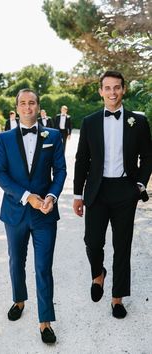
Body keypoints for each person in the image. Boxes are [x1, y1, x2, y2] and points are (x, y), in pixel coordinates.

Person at [73, 71, 152, 319]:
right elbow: (81, 160)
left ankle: (117, 298)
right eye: (107, 88)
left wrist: (139, 185)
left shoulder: (137, 122)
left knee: (122, 245)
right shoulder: (90, 121)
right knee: (92, 242)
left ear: (124, 89)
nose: (112, 92)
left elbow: (148, 157)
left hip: (125, 191)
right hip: (96, 190)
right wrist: (78, 194)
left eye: (116, 87)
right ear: (100, 91)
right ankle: (98, 273)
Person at [0, 88, 66, 344]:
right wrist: (27, 196)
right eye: (22, 103)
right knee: (16, 262)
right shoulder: (3, 139)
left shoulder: (53, 136)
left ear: (38, 106)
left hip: (45, 213)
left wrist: (51, 197)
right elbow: (0, 174)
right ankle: (19, 300)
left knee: (43, 267)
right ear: (17, 107)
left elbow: (60, 171)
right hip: (15, 212)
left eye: (32, 103)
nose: (27, 107)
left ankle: (45, 321)